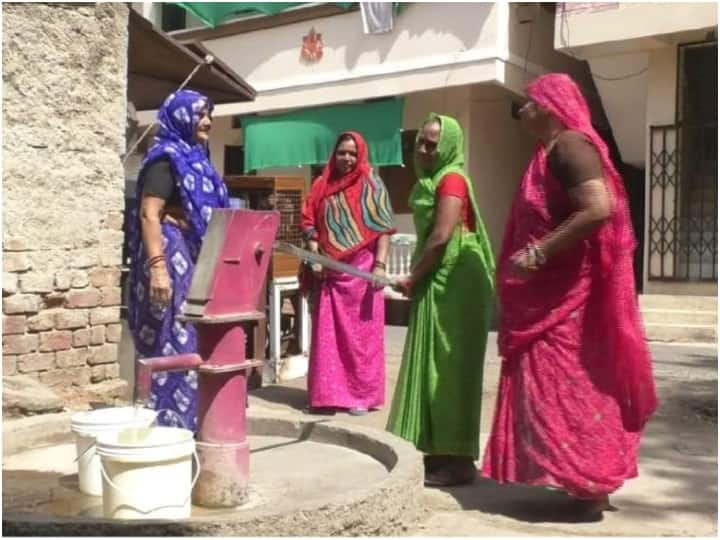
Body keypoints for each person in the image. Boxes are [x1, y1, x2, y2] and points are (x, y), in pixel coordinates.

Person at [481, 73, 657, 517]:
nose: (522, 109)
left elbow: (599, 207)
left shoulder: (570, 147)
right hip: (552, 294)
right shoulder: (551, 151)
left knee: (570, 387)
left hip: (565, 300)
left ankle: (589, 481)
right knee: (562, 387)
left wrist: (540, 250)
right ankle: (584, 481)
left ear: (549, 105)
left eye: (528, 101)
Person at [386, 114, 495, 486]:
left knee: (450, 372)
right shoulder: (431, 180)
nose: (424, 149)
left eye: (433, 143)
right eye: (420, 142)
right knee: (437, 369)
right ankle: (440, 451)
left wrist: (413, 277)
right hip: (438, 273)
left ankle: (459, 460)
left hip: (457, 280)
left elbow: (442, 234)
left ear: (449, 145)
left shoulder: (451, 179)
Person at [127, 90, 229, 431]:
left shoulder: (197, 158)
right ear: (181, 117)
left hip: (193, 257)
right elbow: (148, 213)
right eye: (200, 114)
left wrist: (186, 221)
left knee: (191, 338)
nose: (207, 122)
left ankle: (189, 426)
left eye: (209, 115)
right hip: (169, 261)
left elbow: (199, 211)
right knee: (172, 339)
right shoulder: (165, 158)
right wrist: (158, 269)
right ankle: (165, 428)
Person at [300, 131, 395, 416]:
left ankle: (360, 397)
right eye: (342, 152)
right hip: (330, 273)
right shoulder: (321, 184)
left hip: (364, 273)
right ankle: (327, 395)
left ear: (361, 155)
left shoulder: (372, 184)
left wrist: (379, 266)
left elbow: (383, 229)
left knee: (361, 340)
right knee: (329, 338)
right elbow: (309, 222)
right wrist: (316, 256)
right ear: (334, 153)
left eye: (353, 153)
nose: (347, 158)